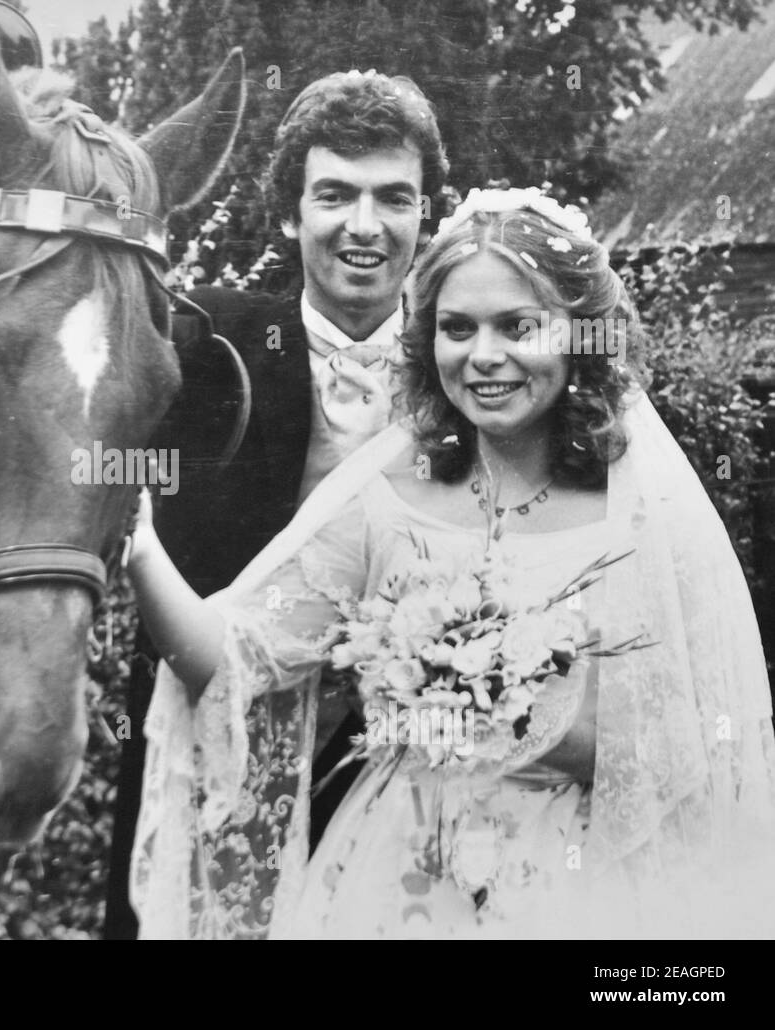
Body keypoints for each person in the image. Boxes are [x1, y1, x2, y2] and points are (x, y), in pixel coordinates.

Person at [126, 187, 775, 939]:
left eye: (517, 326)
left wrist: (500, 710)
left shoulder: (635, 511)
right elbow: (236, 654)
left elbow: (696, 746)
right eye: (457, 328)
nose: (484, 356)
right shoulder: (387, 496)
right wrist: (136, 543)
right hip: (393, 880)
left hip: (581, 887)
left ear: (579, 335)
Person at [102, 69, 451, 939]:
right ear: (290, 213)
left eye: (392, 198)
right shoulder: (203, 344)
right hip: (212, 763)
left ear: (426, 216)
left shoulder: (475, 368)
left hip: (409, 788)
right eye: (334, 195)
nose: (364, 227)